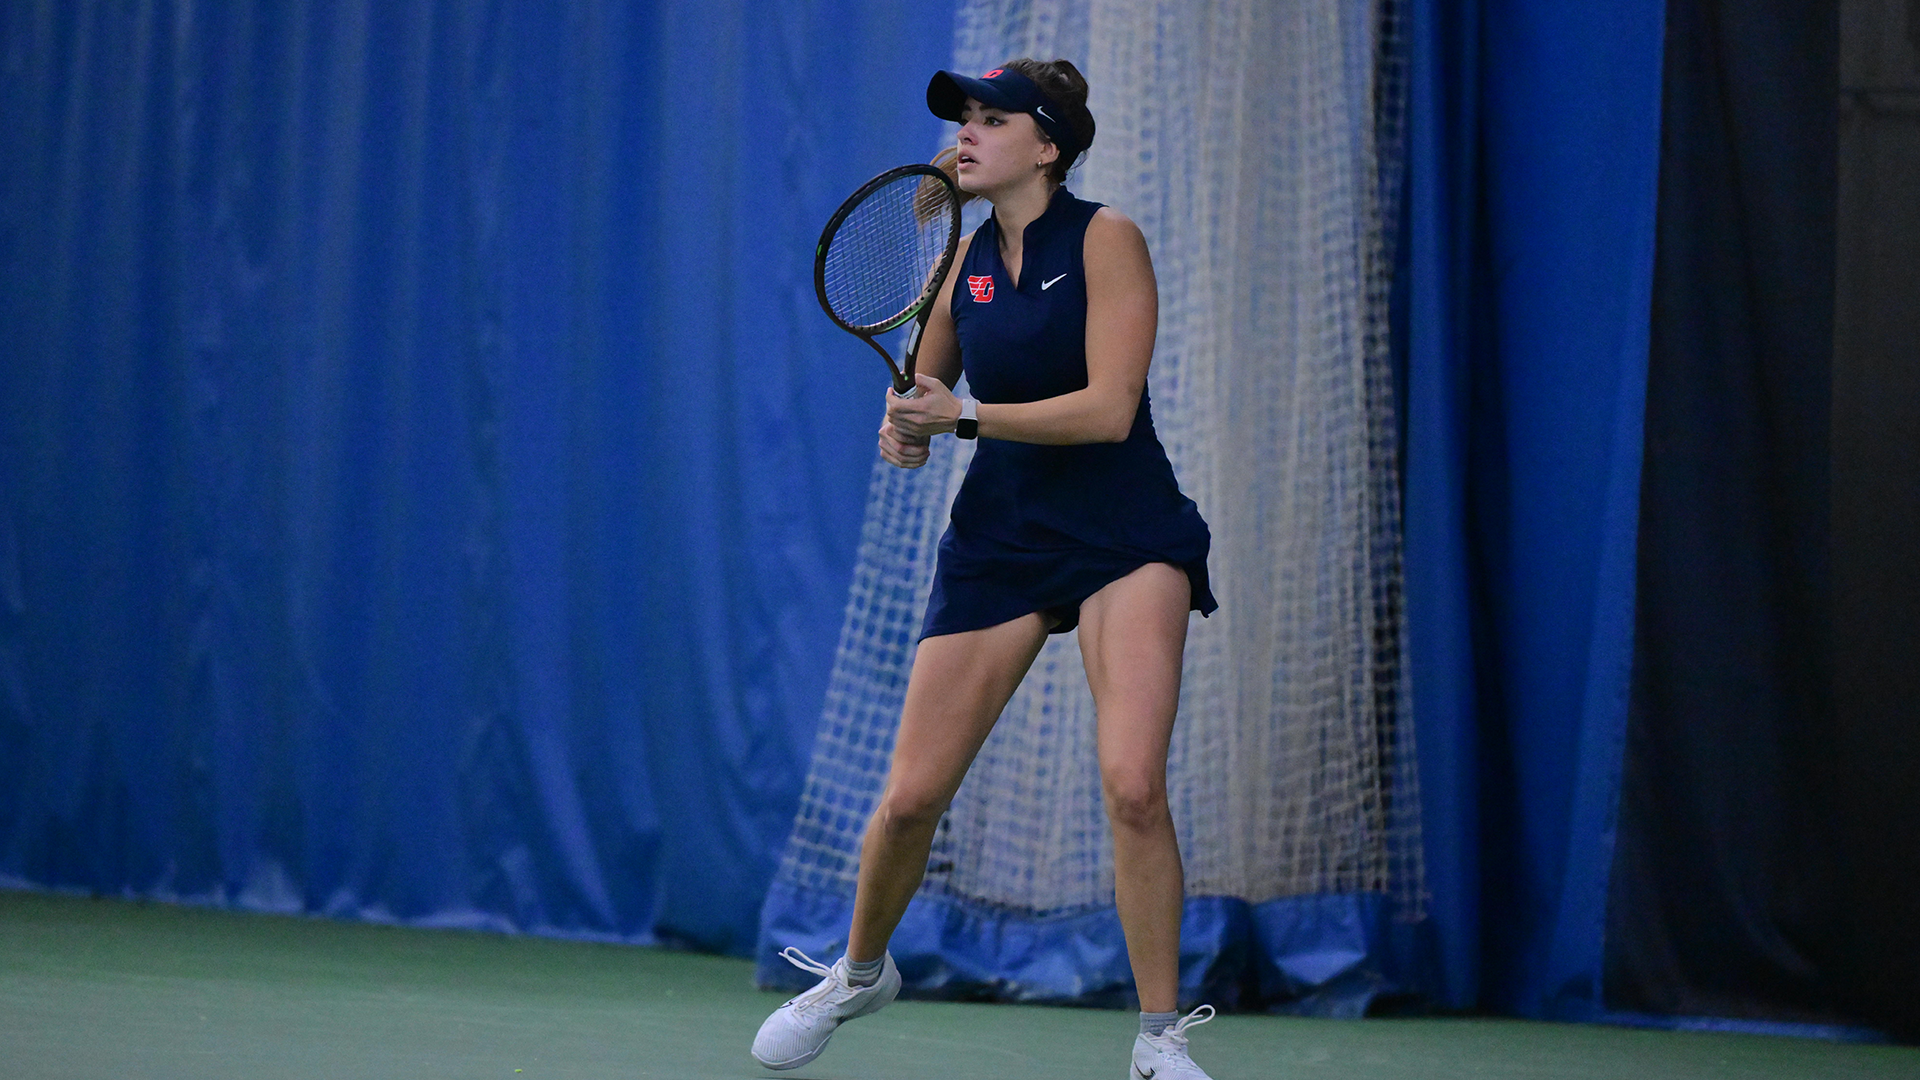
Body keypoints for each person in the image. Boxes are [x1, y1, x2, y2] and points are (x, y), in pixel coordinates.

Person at [753, 59, 1220, 1080]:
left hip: (1125, 535)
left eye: (992, 118)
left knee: (1133, 784)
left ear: (1045, 147)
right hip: (1001, 540)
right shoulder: (961, 260)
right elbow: (928, 384)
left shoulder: (1108, 240)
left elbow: (1107, 410)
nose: (968, 133)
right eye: (963, 118)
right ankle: (861, 972)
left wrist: (958, 415)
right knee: (911, 800)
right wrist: (906, 425)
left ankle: (1157, 1037)